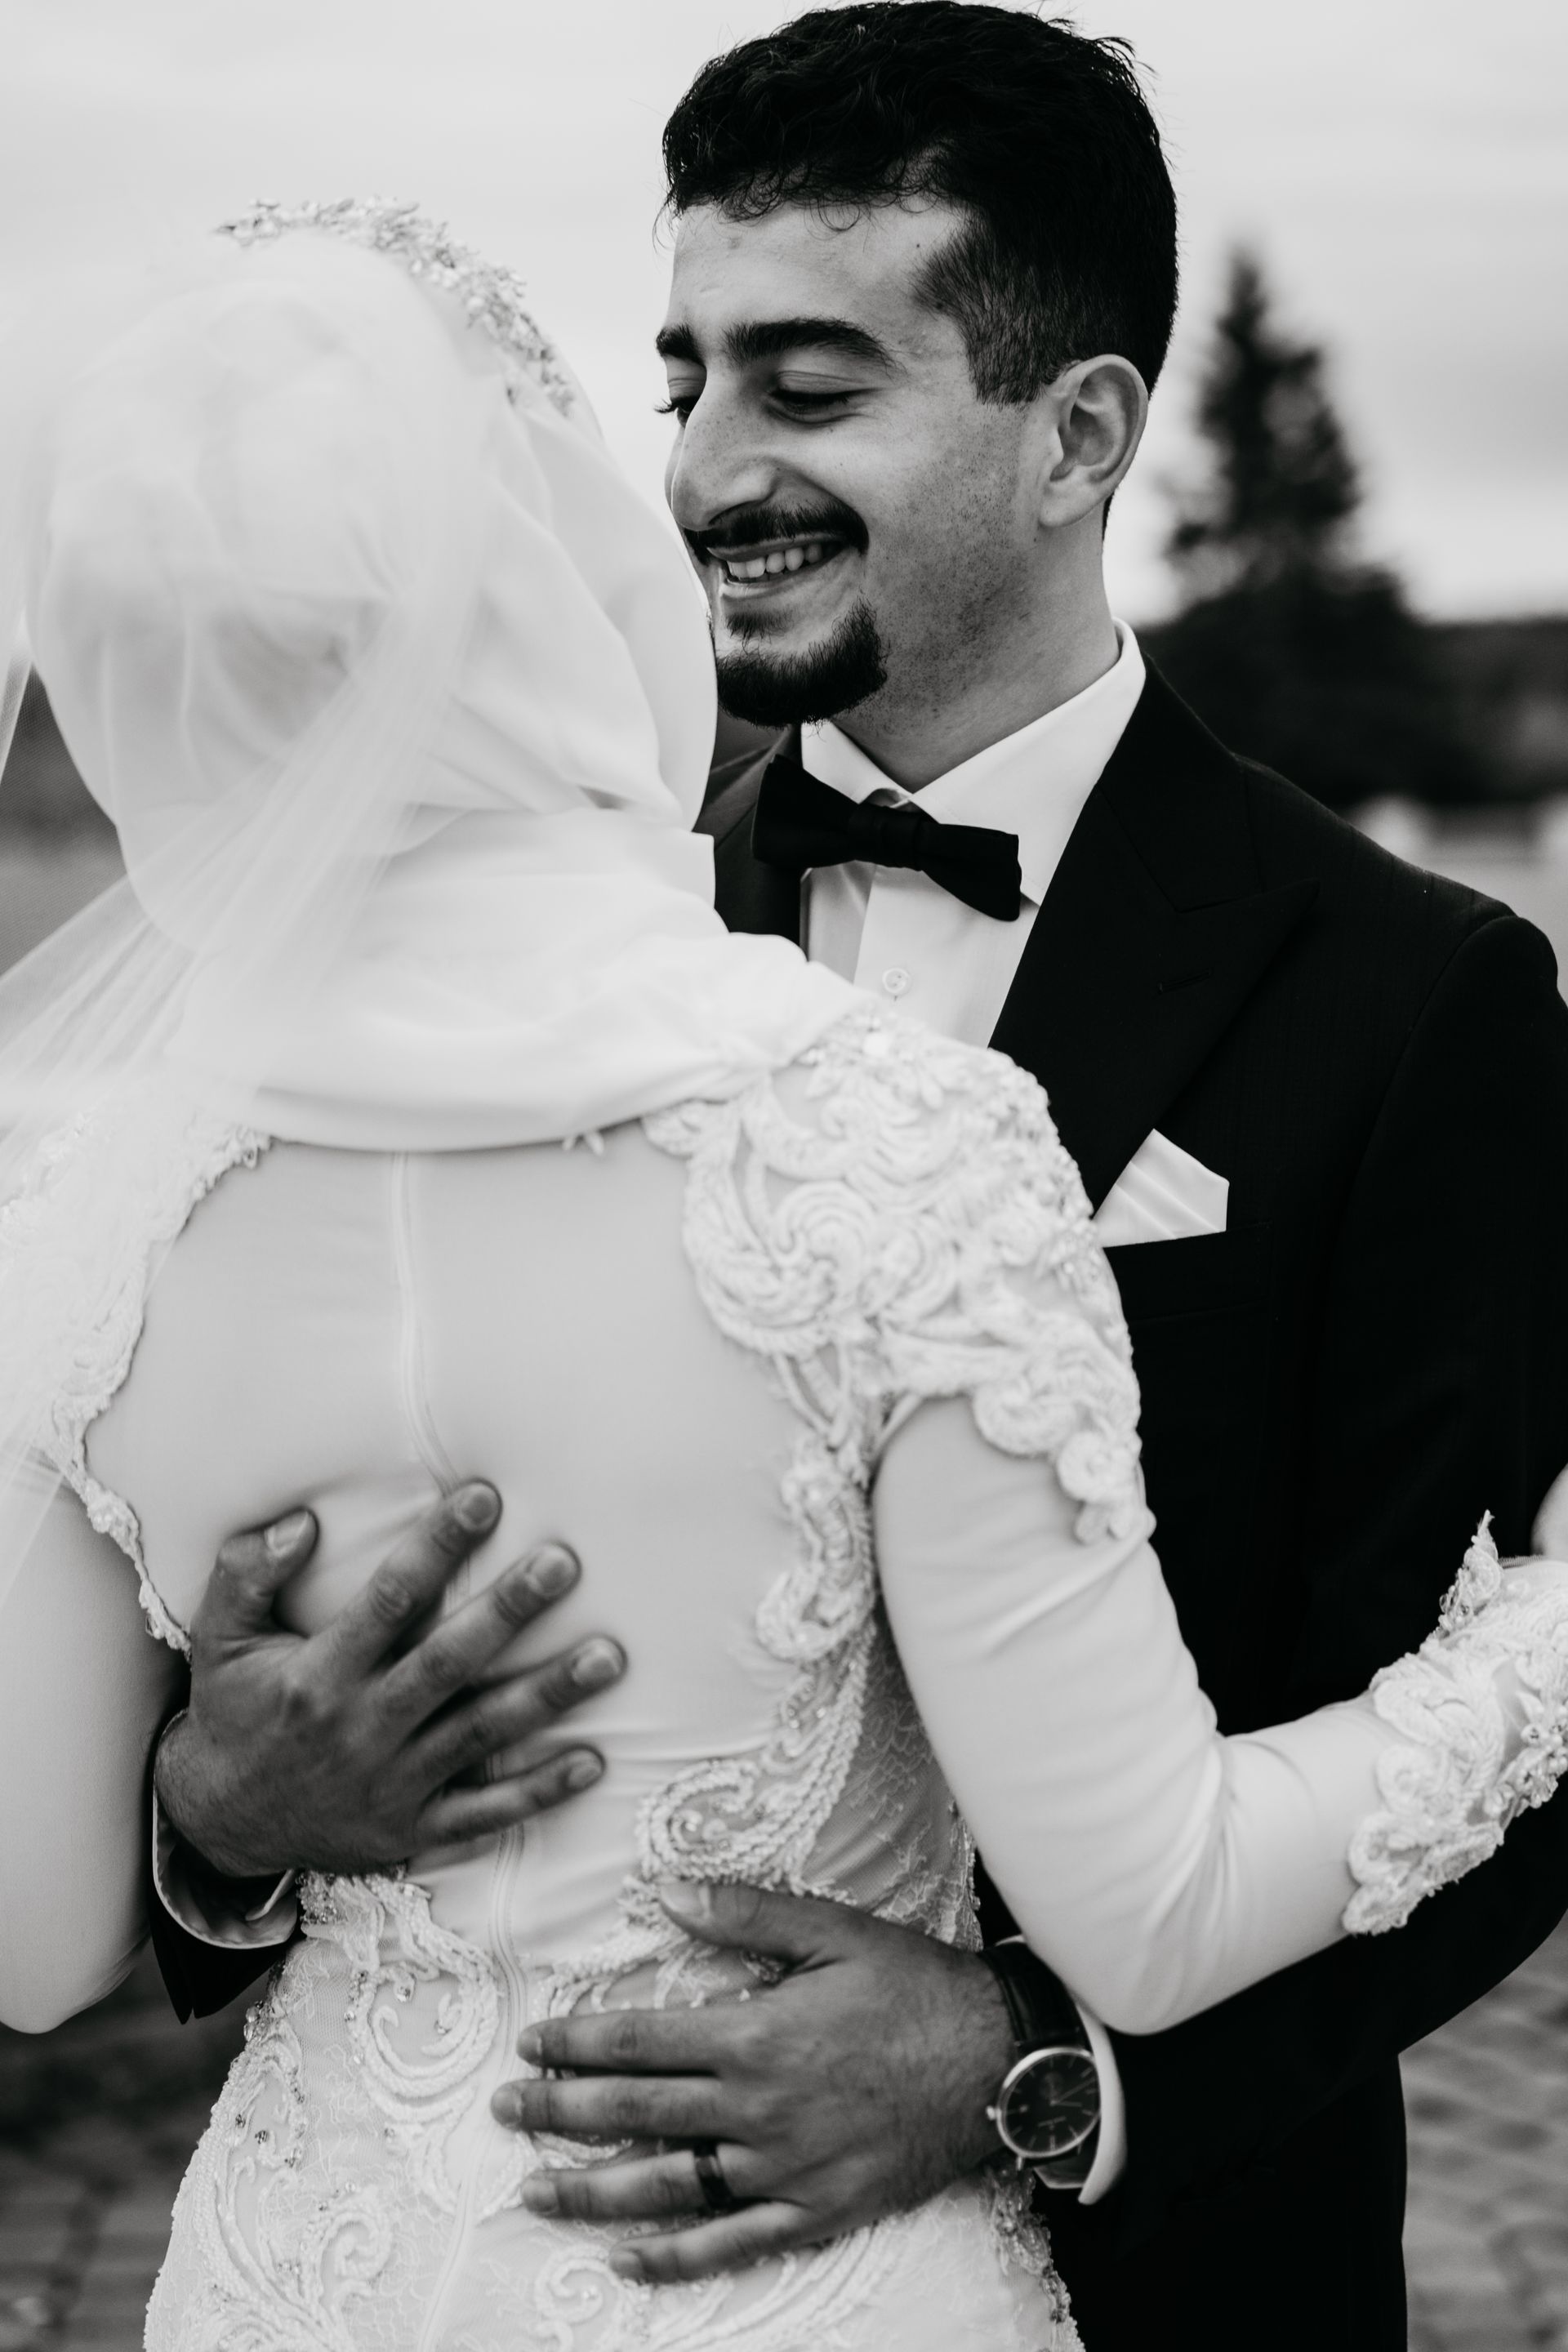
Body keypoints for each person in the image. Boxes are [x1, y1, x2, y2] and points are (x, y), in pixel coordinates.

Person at [5, 200, 1568, 2350]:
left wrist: (1039, 2068)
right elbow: (1170, 1885)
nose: (708, 468)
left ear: (1080, 433)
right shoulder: (886, 1128)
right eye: (674, 387)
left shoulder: (84, 1181)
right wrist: (216, 1815)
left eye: (811, 384)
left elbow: (26, 1946)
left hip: (317, 2281)